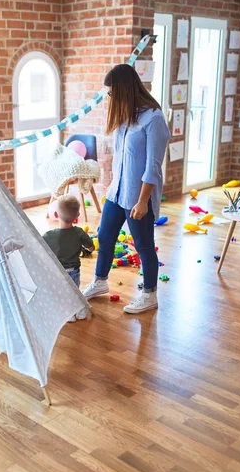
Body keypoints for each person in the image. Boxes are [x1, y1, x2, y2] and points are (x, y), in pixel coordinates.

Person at [83, 63, 170, 314]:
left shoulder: (153, 118)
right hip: (116, 192)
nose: (109, 98)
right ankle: (100, 282)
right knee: (105, 236)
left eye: (111, 93)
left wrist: (143, 201)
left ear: (123, 89)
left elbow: (153, 165)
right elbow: (122, 158)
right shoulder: (124, 115)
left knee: (143, 245)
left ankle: (150, 294)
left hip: (137, 196)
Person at [43, 195, 94, 322]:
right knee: (75, 290)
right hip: (74, 270)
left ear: (55, 214)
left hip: (59, 271)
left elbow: (40, 248)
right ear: (77, 215)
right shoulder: (79, 232)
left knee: (62, 292)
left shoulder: (49, 235)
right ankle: (79, 310)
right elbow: (91, 248)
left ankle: (69, 313)